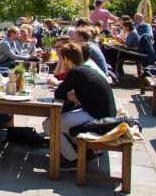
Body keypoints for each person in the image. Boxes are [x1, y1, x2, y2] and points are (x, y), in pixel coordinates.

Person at [46, 42, 116, 170]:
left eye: (62, 59)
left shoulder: (76, 71)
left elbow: (59, 93)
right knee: (58, 120)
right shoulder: (85, 68)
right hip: (105, 113)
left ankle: (74, 160)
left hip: (98, 118)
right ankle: (83, 152)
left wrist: (69, 96)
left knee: (49, 124)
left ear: (66, 59)